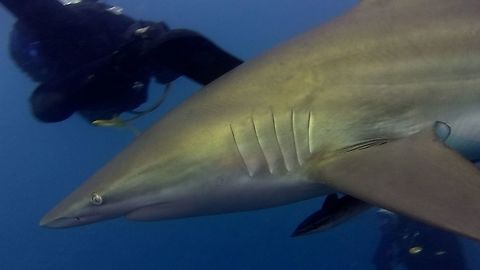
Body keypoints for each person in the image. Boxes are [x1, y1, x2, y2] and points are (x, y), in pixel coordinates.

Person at [0, 0, 243, 124]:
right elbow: (47, 99)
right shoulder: (35, 34)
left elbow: (136, 31)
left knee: (174, 41)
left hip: (124, 80)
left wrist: (147, 35)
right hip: (86, 85)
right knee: (48, 104)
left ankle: (246, 92)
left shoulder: (92, 10)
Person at [373, 209, 468, 270]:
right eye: (382, 219)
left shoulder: (421, 225)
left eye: (387, 219)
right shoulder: (392, 232)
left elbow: (449, 250)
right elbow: (379, 258)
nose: (383, 224)